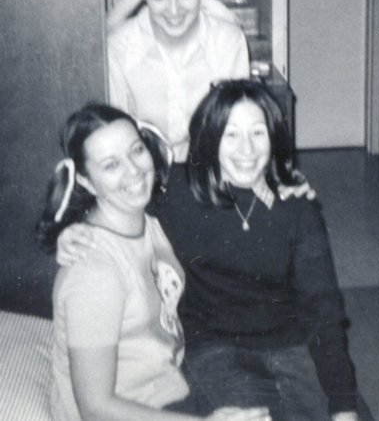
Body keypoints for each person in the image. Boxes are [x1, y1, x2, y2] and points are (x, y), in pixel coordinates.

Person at [57, 81, 357, 420]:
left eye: (258, 133)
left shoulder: (297, 207)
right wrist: (68, 229)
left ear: (274, 137)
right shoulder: (177, 194)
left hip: (289, 344)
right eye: (231, 134)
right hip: (215, 347)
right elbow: (109, 204)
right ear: (210, 137)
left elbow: (324, 310)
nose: (246, 148)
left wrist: (344, 404)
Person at [36, 103, 271, 421]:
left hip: (169, 390)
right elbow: (95, 408)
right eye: (111, 165)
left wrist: (287, 189)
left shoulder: (150, 220)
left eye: (136, 150)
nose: (133, 170)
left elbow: (233, 193)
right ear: (87, 183)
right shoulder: (93, 273)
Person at [107, 0, 249, 163]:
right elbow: (114, 137)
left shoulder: (228, 42)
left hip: (209, 171)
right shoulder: (119, 48)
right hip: (140, 177)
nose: (174, 11)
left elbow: (237, 129)